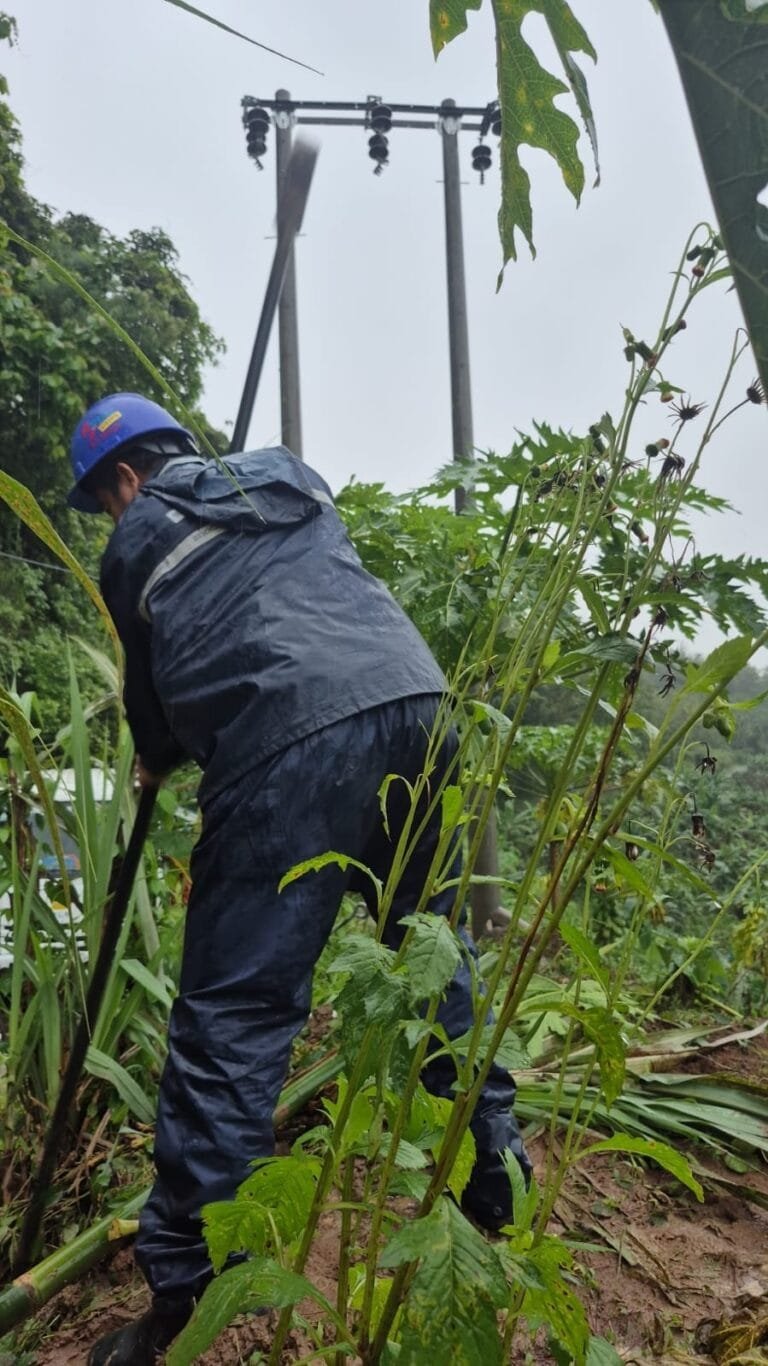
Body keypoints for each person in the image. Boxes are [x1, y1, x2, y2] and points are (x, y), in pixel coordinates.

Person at [68, 393, 531, 1366]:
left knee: (234, 1015)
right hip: (418, 702)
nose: (113, 519)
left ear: (121, 480)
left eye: (104, 501)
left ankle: (185, 1291)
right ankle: (495, 1184)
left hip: (289, 741)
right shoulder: (279, 474)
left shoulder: (135, 539)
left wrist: (152, 759)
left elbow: (154, 712)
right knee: (432, 966)